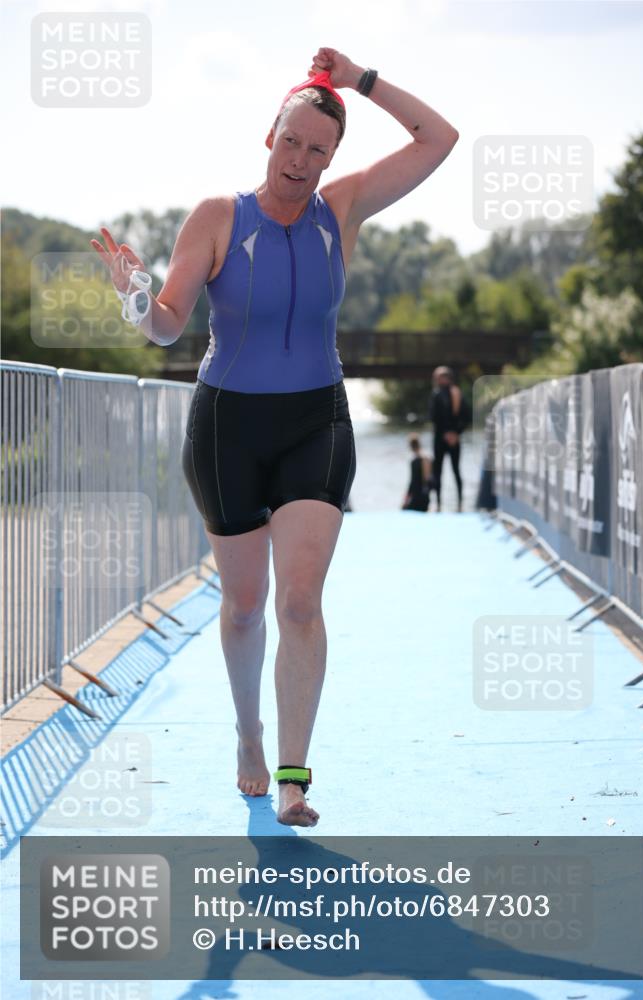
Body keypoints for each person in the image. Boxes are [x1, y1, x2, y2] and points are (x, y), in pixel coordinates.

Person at [91, 48, 459, 827]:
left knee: (298, 602)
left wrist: (361, 81)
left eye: (317, 149)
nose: (300, 161)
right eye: (290, 142)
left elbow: (438, 138)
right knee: (245, 606)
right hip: (227, 426)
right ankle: (248, 735)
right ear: (269, 137)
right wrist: (134, 296)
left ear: (333, 158)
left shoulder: (344, 208)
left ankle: (293, 775)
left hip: (315, 422)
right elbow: (166, 328)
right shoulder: (218, 217)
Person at [429, 365, 464, 512]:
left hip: (451, 439)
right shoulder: (436, 394)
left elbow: (465, 416)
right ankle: (439, 504)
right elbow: (433, 417)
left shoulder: (456, 393)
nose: (439, 380)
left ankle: (459, 503)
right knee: (438, 471)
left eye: (442, 377)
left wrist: (455, 433)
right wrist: (448, 433)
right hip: (441, 438)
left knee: (455, 470)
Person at [401, 434, 432, 512]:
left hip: (417, 496)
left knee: (404, 509)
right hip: (423, 496)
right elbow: (428, 480)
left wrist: (406, 498)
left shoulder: (415, 461)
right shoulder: (426, 459)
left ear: (411, 447)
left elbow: (412, 482)